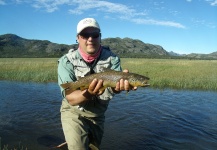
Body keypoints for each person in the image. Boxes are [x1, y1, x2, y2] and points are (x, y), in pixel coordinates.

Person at [57, 18, 137, 150]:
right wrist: (89, 92)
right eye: (85, 35)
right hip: (74, 112)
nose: (90, 39)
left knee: (94, 147)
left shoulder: (113, 59)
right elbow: (70, 98)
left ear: (100, 37)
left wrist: (118, 89)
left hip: (98, 114)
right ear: (77, 38)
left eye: (94, 35)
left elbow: (114, 87)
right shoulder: (66, 61)